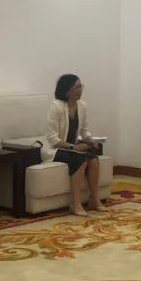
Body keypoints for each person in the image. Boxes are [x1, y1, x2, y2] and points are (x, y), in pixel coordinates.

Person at [44, 74, 106, 217]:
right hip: (55, 149)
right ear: (67, 90)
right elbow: (52, 139)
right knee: (79, 159)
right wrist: (73, 147)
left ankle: (94, 200)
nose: (80, 90)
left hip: (72, 148)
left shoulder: (82, 106)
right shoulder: (56, 107)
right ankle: (75, 204)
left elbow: (84, 130)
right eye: (76, 87)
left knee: (93, 159)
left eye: (81, 86)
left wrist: (90, 139)